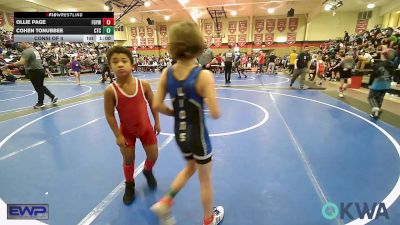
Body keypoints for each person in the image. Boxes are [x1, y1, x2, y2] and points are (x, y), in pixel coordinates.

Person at [151, 21, 224, 225]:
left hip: (180, 134)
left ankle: (165, 202)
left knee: (190, 167)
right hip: (199, 136)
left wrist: (177, 113)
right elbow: (216, 113)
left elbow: (157, 105)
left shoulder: (167, 72)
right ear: (198, 44)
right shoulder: (204, 75)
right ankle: (209, 219)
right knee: (205, 179)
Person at [103, 46, 160, 205]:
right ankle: (129, 184)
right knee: (128, 159)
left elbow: (152, 103)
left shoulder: (144, 85)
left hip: (146, 129)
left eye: (124, 61)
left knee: (153, 156)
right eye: (115, 62)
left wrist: (157, 121)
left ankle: (147, 171)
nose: (120, 64)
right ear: (110, 67)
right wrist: (118, 135)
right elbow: (109, 114)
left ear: (132, 65)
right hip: (126, 132)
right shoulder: (110, 91)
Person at [5, 42, 58, 109]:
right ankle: (52, 97)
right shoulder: (34, 50)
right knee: (40, 86)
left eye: (21, 43)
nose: (19, 45)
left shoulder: (26, 51)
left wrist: (9, 65)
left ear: (26, 43)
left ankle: (40, 103)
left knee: (38, 88)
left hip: (34, 71)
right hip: (40, 70)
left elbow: (22, 62)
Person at [367, 48, 396, 118]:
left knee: (371, 97)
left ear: (383, 56)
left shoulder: (378, 65)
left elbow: (373, 75)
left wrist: (370, 84)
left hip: (377, 84)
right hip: (386, 84)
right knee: (380, 99)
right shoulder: (392, 64)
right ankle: (375, 114)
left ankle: (376, 108)